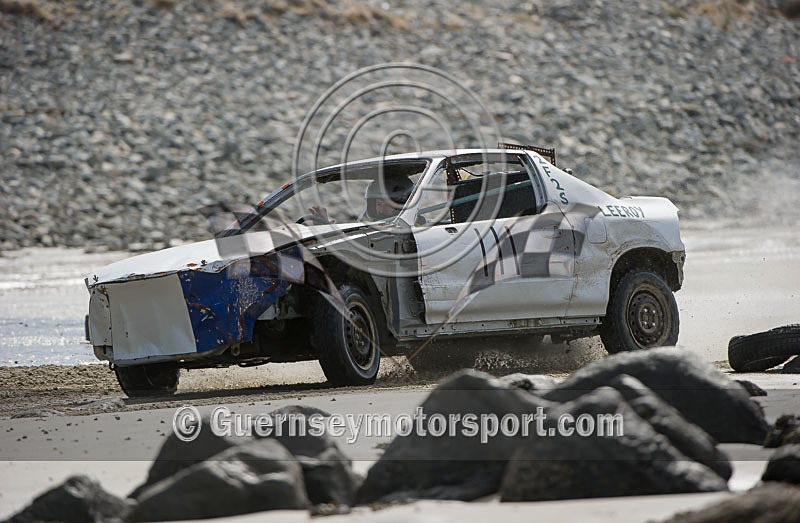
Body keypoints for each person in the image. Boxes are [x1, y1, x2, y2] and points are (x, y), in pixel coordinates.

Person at [308, 176, 414, 223]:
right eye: (376, 204)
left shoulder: (421, 229)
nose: (378, 210)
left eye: (382, 204)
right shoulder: (369, 229)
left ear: (401, 204)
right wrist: (325, 226)